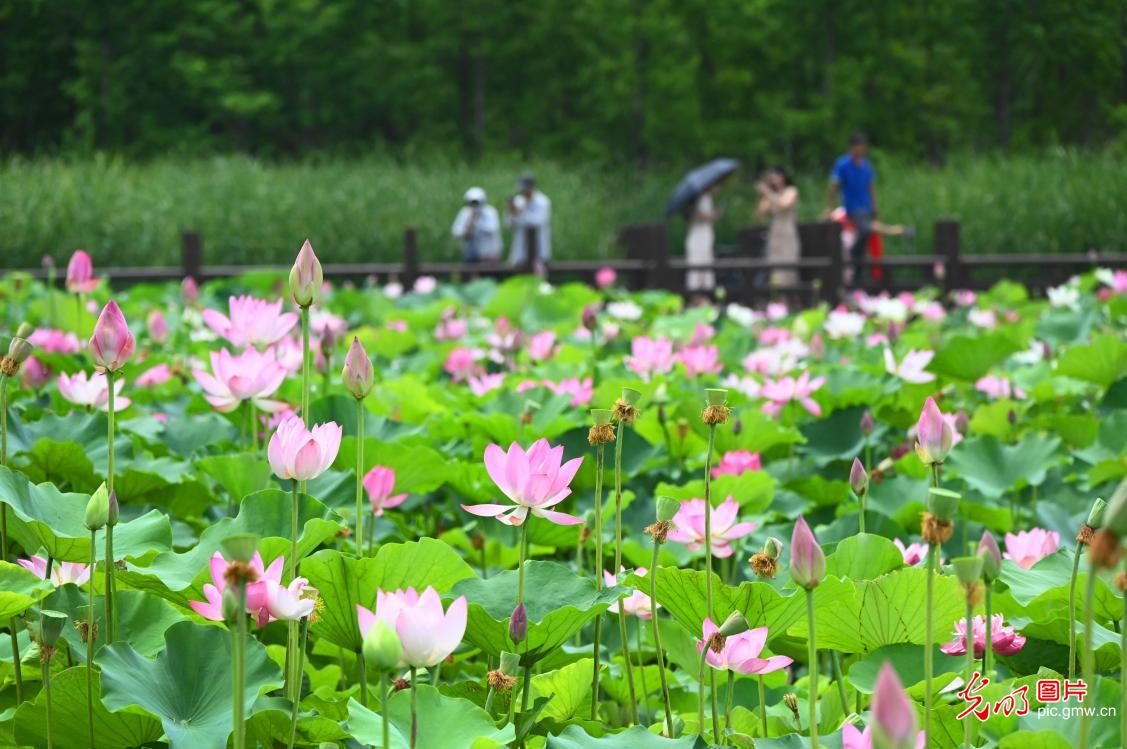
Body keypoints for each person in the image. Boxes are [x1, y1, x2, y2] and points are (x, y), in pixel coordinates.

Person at [826, 133, 877, 282]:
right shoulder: (842, 164)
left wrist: (874, 205)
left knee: (865, 236)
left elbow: (871, 186)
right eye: (858, 147)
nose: (860, 150)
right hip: (852, 207)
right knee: (865, 230)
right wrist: (830, 207)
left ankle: (857, 271)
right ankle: (854, 258)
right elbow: (834, 186)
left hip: (866, 206)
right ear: (851, 147)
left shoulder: (866, 165)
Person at [756, 166, 800, 287]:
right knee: (775, 268)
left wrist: (767, 192)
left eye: (775, 176)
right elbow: (760, 214)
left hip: (788, 233)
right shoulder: (770, 195)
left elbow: (784, 204)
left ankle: (790, 297)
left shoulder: (791, 191)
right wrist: (762, 196)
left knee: (788, 266)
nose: (773, 179)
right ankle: (777, 298)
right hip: (775, 234)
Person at [505, 173, 551, 269]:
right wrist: (511, 212)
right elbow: (509, 224)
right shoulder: (518, 200)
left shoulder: (542, 201)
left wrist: (520, 212)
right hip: (520, 252)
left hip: (539, 249)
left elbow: (538, 221)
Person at [685, 183, 722, 293]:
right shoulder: (700, 198)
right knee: (696, 267)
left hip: (705, 237)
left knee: (706, 265)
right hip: (698, 238)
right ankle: (696, 294)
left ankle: (705, 293)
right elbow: (698, 215)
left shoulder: (707, 198)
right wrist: (714, 214)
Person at [451, 187, 501, 262]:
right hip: (470, 254)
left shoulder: (490, 212)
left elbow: (492, 229)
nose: (474, 205)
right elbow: (456, 231)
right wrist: (467, 228)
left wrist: (476, 222)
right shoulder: (465, 213)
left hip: (488, 254)